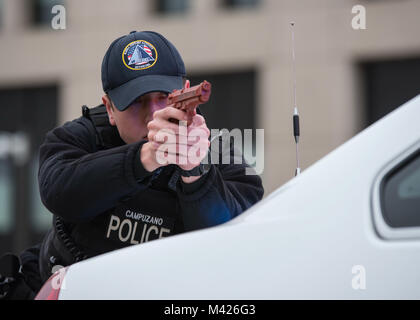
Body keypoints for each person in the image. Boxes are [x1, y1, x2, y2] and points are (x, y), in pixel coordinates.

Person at [0, 30, 264, 298]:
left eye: (164, 96)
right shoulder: (79, 136)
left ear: (185, 92)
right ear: (110, 109)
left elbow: (236, 238)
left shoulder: (215, 148)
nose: (153, 114)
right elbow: (59, 191)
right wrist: (148, 156)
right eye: (136, 101)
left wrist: (193, 171)